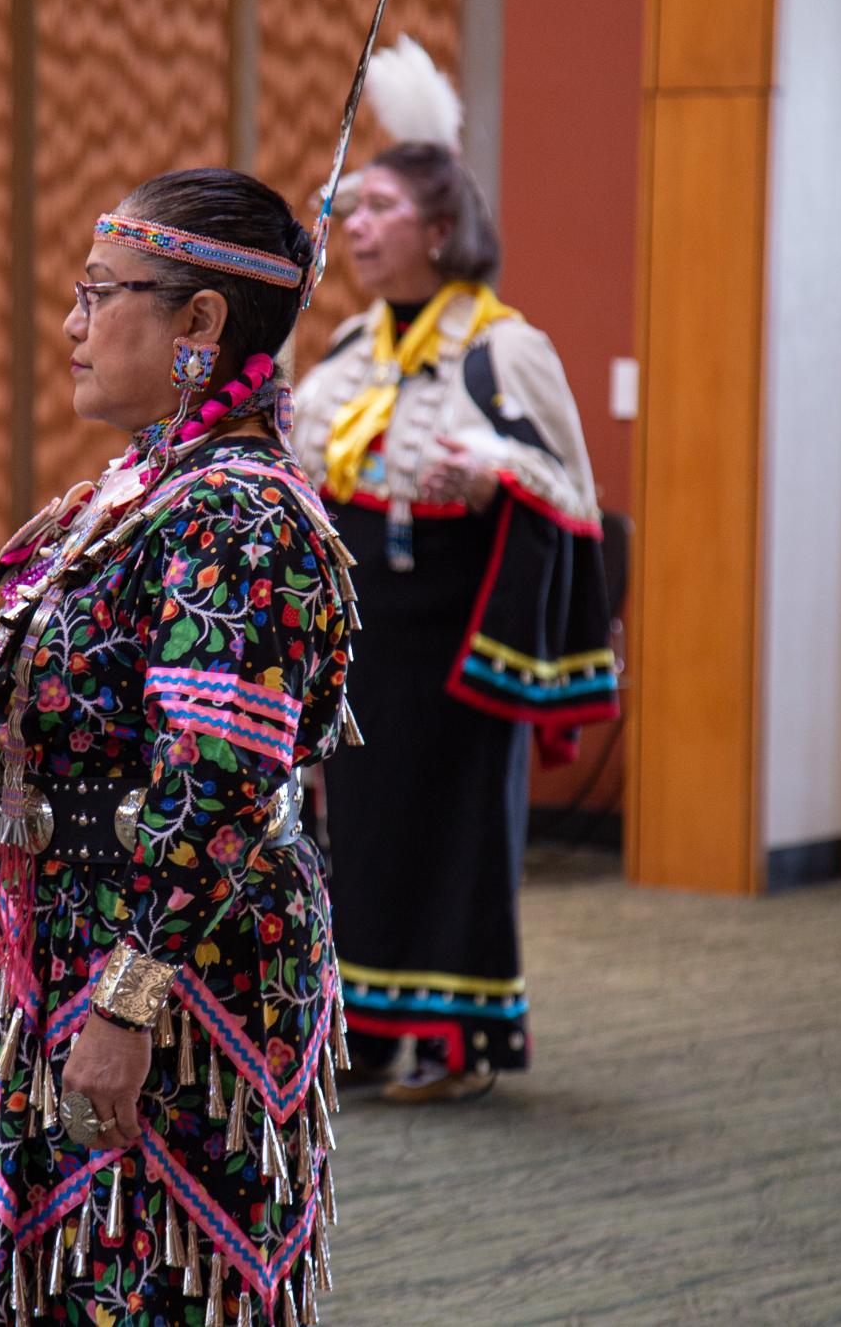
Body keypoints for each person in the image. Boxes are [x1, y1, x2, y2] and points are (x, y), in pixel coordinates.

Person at [0, 169, 358, 1326]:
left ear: (201, 322)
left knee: (151, 1279)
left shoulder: (238, 514)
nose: (73, 325)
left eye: (99, 293)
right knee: (57, 1265)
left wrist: (126, 1004)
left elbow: (220, 778)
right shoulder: (149, 486)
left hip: (180, 965)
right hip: (69, 937)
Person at [292, 141, 618, 1103]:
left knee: (452, 831)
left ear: (441, 229)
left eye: (381, 206)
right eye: (350, 208)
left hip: (457, 634)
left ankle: (458, 1043)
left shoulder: (503, 348)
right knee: (356, 828)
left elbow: (571, 492)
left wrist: (489, 473)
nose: (357, 224)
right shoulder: (353, 348)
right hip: (365, 631)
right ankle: (366, 1034)